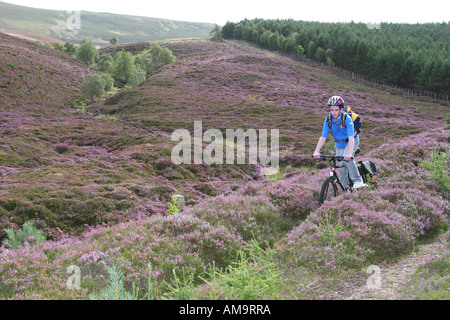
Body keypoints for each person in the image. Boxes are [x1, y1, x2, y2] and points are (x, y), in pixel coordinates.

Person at [313, 96, 366, 189]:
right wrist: (316, 151)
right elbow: (323, 136)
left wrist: (349, 153)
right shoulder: (328, 119)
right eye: (332, 110)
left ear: (341, 109)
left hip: (351, 141)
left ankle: (358, 181)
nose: (333, 112)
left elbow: (351, 137)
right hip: (339, 144)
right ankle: (345, 188)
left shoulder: (347, 118)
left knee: (347, 160)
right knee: (341, 167)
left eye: (336, 110)